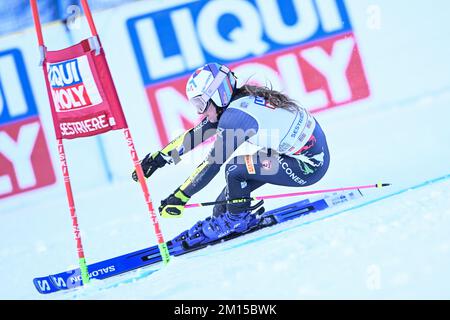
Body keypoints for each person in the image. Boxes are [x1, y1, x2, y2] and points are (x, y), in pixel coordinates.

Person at [132, 62, 330, 246]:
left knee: (234, 169)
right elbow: (198, 135)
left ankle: (237, 221)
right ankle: (235, 218)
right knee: (222, 207)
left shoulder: (235, 117)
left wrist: (180, 197)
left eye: (201, 103)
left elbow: (212, 164)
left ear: (218, 95)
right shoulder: (238, 101)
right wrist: (159, 160)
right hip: (299, 156)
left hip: (307, 167)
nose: (201, 112)